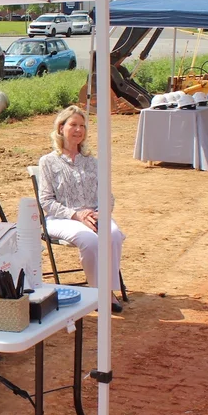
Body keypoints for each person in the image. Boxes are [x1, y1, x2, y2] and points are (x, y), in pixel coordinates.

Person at [37, 106, 126, 314]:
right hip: (61, 218)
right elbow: (46, 201)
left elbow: (107, 196)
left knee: (112, 235)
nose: (78, 130)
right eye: (73, 125)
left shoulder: (93, 162)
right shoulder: (48, 162)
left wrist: (100, 212)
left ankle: (107, 291)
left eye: (82, 126)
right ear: (61, 128)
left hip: (94, 214)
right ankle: (98, 294)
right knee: (91, 240)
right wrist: (76, 215)